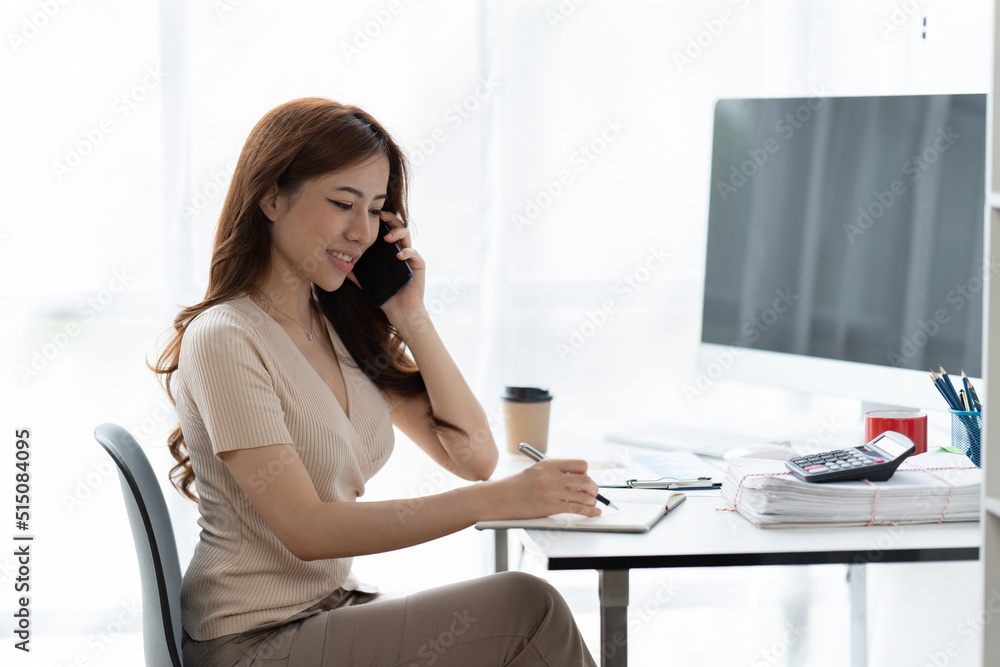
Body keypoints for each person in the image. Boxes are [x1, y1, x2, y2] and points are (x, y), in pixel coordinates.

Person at [152, 97, 601, 666]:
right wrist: (499, 500)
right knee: (526, 606)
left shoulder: (338, 326)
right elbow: (307, 530)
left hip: (328, 613)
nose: (362, 232)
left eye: (376, 209)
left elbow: (472, 456)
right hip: (251, 643)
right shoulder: (226, 336)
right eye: (343, 204)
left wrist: (410, 314)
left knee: (519, 617)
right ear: (270, 196)